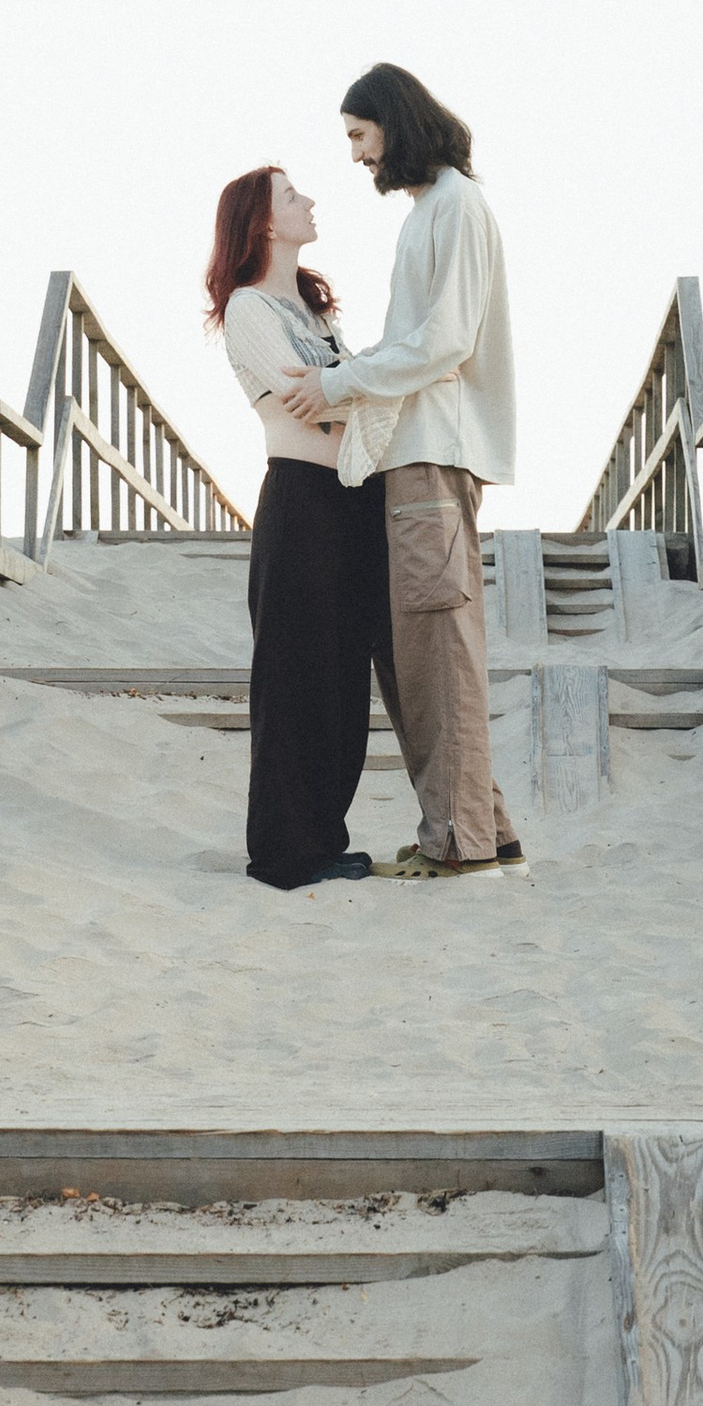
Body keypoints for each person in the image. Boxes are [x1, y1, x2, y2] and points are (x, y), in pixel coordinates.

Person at [273, 63, 522, 878]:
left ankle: (459, 848)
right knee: (416, 651)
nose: (354, 157)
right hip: (412, 456)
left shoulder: (454, 205)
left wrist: (338, 383)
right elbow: (419, 340)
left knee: (435, 656)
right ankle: (486, 832)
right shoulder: (433, 211)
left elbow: (444, 342)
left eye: (359, 136)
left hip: (431, 456)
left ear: (394, 124)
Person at [207, 163, 386, 891]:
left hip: (356, 499)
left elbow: (346, 393)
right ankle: (284, 853)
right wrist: (367, 390)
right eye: (292, 196)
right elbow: (308, 401)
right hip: (302, 501)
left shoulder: (317, 314)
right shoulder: (249, 308)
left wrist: (358, 390)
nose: (310, 201)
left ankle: (325, 839)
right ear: (264, 221)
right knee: (293, 678)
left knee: (343, 678)